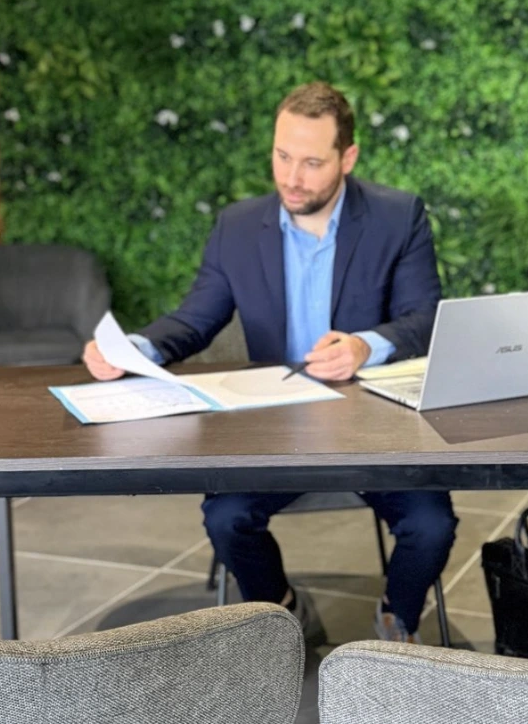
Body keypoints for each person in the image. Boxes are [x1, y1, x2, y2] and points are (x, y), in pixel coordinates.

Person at [82, 81, 456, 643]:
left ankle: (396, 617)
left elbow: (424, 318)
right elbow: (195, 318)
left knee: (432, 525)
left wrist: (364, 345)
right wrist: (134, 349)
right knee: (226, 518)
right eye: (282, 156)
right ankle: (281, 609)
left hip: (373, 425)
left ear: (348, 157)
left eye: (311, 162)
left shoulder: (397, 217)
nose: (292, 177)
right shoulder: (237, 226)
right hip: (272, 426)